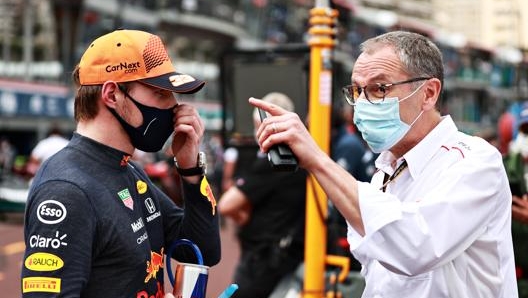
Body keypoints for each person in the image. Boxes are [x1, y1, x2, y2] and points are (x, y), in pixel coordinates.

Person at [249, 31, 518, 297]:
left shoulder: (475, 161)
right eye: (357, 90)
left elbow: (416, 247)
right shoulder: (386, 172)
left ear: (429, 93)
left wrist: (316, 159)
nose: (363, 103)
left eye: (379, 89)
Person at [21, 29, 220, 298]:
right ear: (112, 94)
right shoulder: (67, 191)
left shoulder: (129, 170)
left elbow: (201, 250)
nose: (176, 108)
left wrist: (190, 169)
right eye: (161, 93)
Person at [218, 92, 307, 298]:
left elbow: (226, 205)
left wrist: (244, 216)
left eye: (259, 126)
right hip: (283, 252)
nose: (257, 133)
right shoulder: (299, 156)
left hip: (263, 257)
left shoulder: (274, 162)